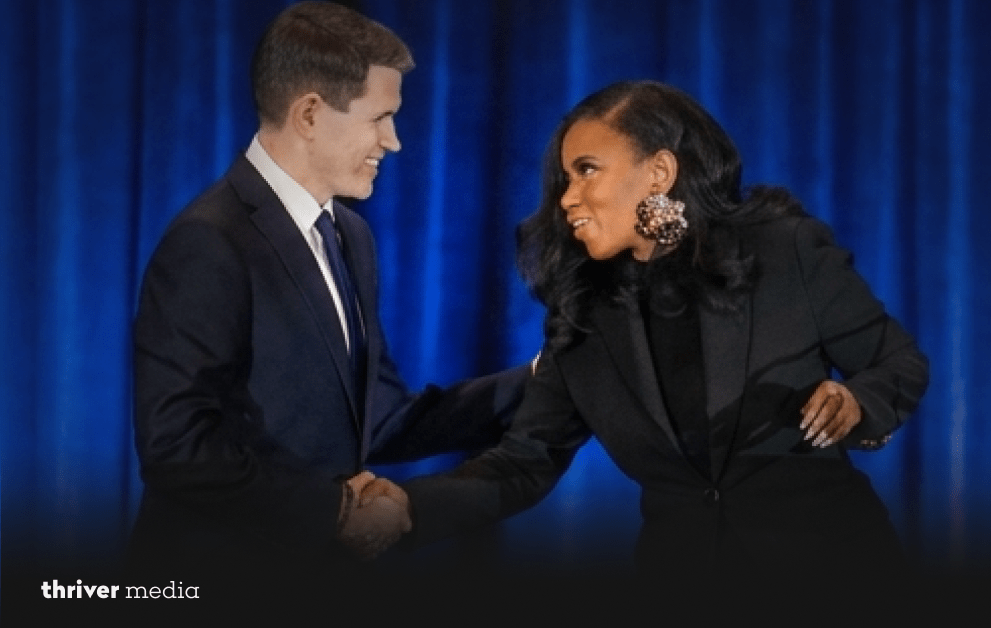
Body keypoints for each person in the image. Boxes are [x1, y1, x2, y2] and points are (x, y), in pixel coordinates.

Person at [376, 80, 929, 591]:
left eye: (587, 169)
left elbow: (898, 362)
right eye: (566, 178)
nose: (568, 197)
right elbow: (524, 462)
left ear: (659, 173)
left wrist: (857, 402)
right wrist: (406, 509)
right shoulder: (583, 313)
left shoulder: (785, 251)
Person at [126, 1, 529, 600]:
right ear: (310, 114)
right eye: (380, 118)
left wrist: (540, 382)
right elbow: (179, 448)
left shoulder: (351, 238)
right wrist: (336, 510)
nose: (393, 142)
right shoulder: (209, 241)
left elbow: (381, 417)